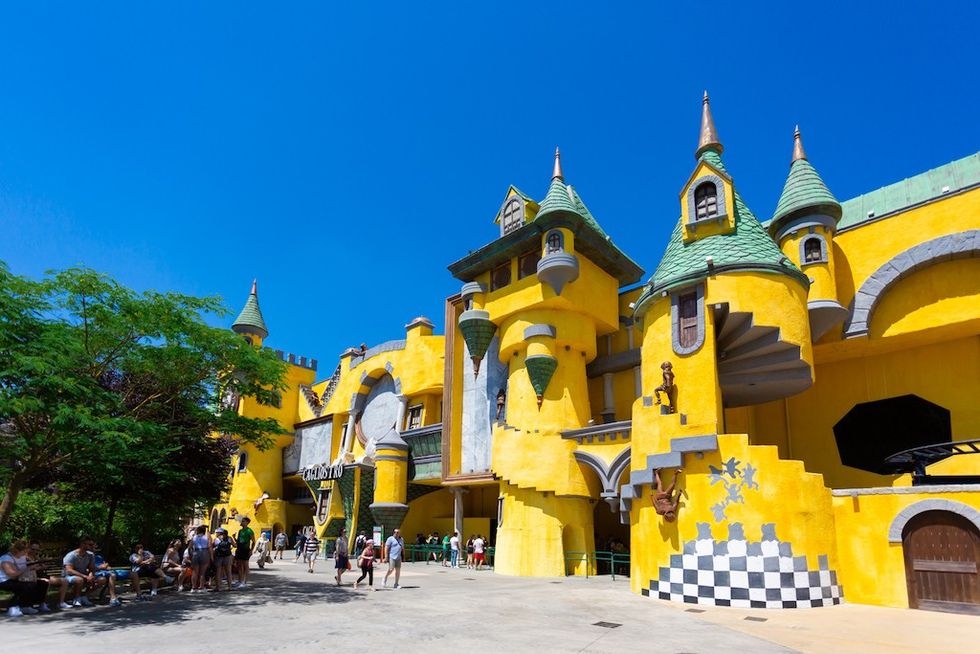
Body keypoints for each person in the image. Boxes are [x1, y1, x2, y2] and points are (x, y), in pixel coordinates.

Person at [1, 539, 49, 616]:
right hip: (5, 580)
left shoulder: (22, 557)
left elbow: (25, 568)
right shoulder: (6, 558)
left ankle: (27, 605)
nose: (25, 553)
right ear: (17, 550)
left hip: (17, 579)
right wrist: (27, 569)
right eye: (24, 551)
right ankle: (12, 607)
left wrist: (35, 568)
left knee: (42, 583)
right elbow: (12, 574)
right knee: (26, 585)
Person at [62, 536, 111, 607]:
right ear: (82, 544)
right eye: (90, 545)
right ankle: (77, 598)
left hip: (84, 575)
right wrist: (85, 576)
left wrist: (91, 575)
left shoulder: (90, 555)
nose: (92, 546)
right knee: (79, 580)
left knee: (102, 580)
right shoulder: (71, 555)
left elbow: (91, 568)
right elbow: (69, 570)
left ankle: (84, 596)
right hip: (69, 576)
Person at [24, 541, 69, 610]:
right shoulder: (24, 558)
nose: (35, 551)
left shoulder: (36, 557)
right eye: (33, 549)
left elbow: (41, 565)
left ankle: (61, 603)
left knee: (64, 581)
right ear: (28, 548)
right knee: (46, 582)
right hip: (31, 577)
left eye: (37, 550)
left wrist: (43, 566)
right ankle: (42, 603)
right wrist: (38, 567)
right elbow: (26, 569)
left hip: (42, 575)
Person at [188, 525, 213, 592]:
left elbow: (189, 547)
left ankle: (193, 587)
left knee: (195, 572)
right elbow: (210, 547)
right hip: (204, 552)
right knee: (202, 572)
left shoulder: (194, 538)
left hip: (196, 552)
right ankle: (201, 587)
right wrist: (211, 557)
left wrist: (191, 555)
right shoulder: (207, 537)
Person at [234, 517, 256, 588]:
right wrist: (234, 538)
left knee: (245, 565)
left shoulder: (249, 531)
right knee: (239, 565)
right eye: (242, 521)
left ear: (247, 522)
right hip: (239, 549)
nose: (242, 522)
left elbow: (253, 541)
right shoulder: (240, 531)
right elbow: (238, 541)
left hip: (245, 549)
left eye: (243, 521)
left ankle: (245, 582)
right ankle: (240, 580)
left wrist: (251, 550)